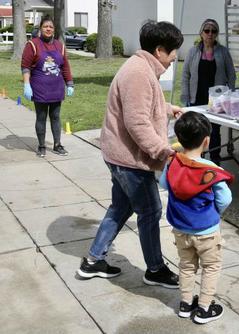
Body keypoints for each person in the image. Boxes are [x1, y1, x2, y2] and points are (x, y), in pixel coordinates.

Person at [77, 21, 184, 289]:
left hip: (119, 156)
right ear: (160, 50)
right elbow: (137, 122)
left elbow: (145, 103)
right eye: (173, 52)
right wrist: (162, 151)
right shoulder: (139, 73)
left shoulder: (142, 68)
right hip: (128, 160)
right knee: (150, 210)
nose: (175, 58)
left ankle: (94, 260)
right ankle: (155, 269)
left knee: (121, 208)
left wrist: (168, 108)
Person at [159, 111, 233, 324]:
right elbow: (225, 198)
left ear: (179, 139)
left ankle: (185, 304)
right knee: (211, 267)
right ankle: (204, 308)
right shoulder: (211, 170)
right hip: (207, 232)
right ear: (207, 140)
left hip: (181, 229)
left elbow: (164, 184)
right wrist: (215, 212)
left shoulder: (173, 163)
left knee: (186, 266)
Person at [181, 19, 236, 165]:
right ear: (201, 33)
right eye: (207, 30)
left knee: (214, 129)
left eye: (213, 31)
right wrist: (185, 96)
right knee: (197, 129)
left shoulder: (223, 52)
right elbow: (185, 74)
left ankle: (215, 160)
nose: (210, 34)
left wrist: (230, 95)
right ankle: (199, 159)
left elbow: (231, 74)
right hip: (197, 96)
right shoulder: (193, 51)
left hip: (216, 99)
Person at [21, 16, 74, 157]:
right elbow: (25, 67)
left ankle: (57, 145)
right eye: (45, 26)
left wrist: (69, 83)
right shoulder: (32, 44)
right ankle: (42, 146)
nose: (48, 29)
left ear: (54, 29)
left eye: (51, 27)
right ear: (40, 28)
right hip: (40, 89)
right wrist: (27, 84)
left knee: (56, 116)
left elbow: (65, 67)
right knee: (41, 117)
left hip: (56, 88)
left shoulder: (60, 46)